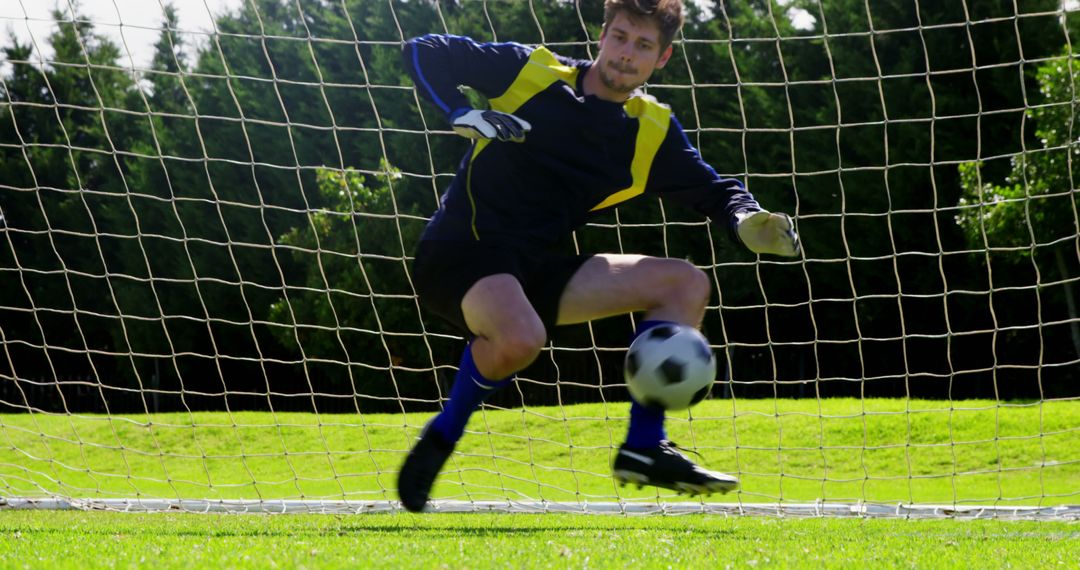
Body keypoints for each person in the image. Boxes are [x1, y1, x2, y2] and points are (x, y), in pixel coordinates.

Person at [396, 0, 800, 513]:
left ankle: (645, 447)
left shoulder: (649, 131)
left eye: (643, 45)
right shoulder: (533, 71)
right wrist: (459, 112)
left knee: (684, 284)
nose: (627, 53)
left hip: (536, 268)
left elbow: (716, 189)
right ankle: (442, 436)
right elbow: (423, 51)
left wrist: (745, 219)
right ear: (602, 35)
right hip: (459, 250)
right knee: (521, 337)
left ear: (662, 59)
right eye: (621, 36)